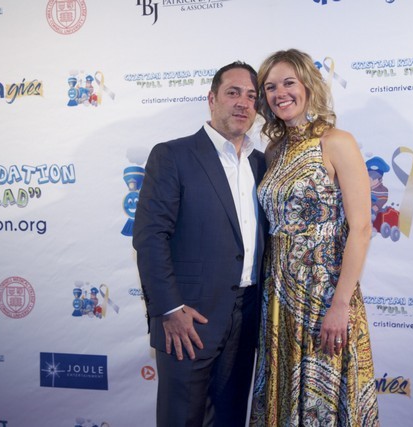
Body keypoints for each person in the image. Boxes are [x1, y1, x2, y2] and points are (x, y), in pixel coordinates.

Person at [133, 61, 268, 427]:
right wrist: (169, 309)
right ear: (212, 99)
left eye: (251, 96)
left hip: (247, 318)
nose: (243, 103)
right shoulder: (173, 156)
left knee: (229, 418)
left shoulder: (262, 164)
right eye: (233, 92)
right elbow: (150, 237)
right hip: (188, 320)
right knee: (182, 419)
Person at [250, 49, 380, 426]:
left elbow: (361, 229)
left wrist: (340, 304)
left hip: (326, 294)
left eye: (289, 83)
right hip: (278, 298)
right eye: (270, 87)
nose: (280, 93)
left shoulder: (337, 141)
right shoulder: (274, 150)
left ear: (308, 85)